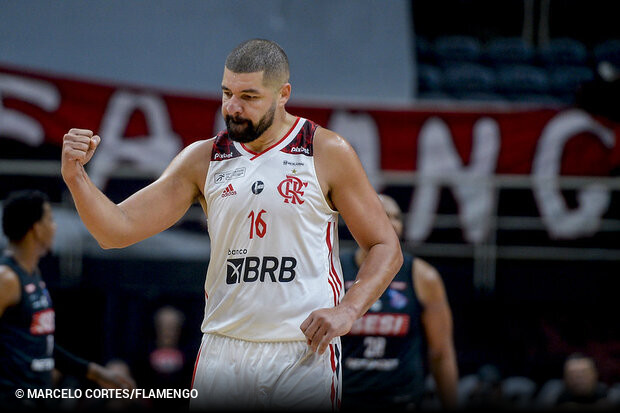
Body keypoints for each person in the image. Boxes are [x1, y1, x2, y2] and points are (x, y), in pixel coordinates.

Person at [60, 38, 403, 411]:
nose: (233, 108)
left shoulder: (326, 151)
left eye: (249, 97)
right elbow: (115, 231)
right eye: (227, 93)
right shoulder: (203, 158)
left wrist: (348, 310)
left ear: (283, 93)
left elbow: (385, 246)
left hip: (302, 352)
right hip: (223, 350)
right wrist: (76, 178)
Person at [0, 190, 135, 410]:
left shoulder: (32, 274)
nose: (54, 227)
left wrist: (93, 371)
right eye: (50, 220)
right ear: (36, 228)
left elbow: (43, 345)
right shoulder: (6, 278)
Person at [340, 194, 458, 411]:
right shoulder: (334, 268)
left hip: (401, 398)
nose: (392, 223)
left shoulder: (423, 276)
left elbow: (441, 352)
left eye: (397, 217)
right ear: (359, 220)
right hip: (342, 397)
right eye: (384, 215)